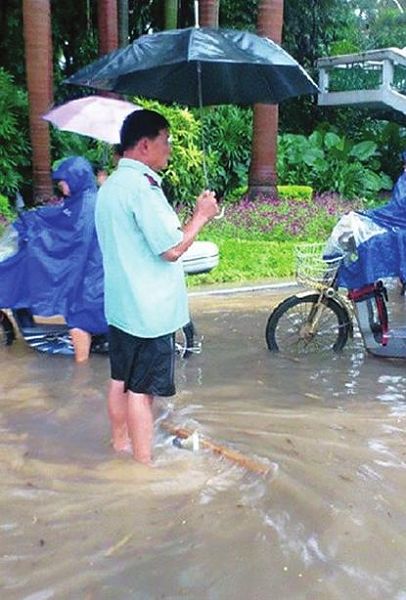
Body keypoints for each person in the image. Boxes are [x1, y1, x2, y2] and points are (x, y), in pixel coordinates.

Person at [95, 109, 218, 465]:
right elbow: (172, 248)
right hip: (149, 312)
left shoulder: (111, 187)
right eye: (166, 141)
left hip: (120, 307)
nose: (170, 149)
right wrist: (201, 216)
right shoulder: (143, 189)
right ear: (145, 145)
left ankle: (120, 446)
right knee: (141, 391)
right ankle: (143, 466)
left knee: (120, 380)